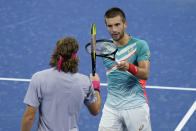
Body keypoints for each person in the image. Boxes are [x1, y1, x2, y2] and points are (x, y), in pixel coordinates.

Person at [21, 37, 102, 131]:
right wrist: (95, 86)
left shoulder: (39, 78)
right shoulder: (84, 82)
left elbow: (29, 117)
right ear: (75, 56)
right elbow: (95, 110)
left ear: (56, 53)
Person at [98, 7, 151, 131]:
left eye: (117, 25)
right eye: (110, 26)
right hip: (111, 108)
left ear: (125, 24)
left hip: (135, 107)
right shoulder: (105, 48)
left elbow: (145, 74)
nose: (114, 30)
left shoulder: (140, 45)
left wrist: (130, 67)